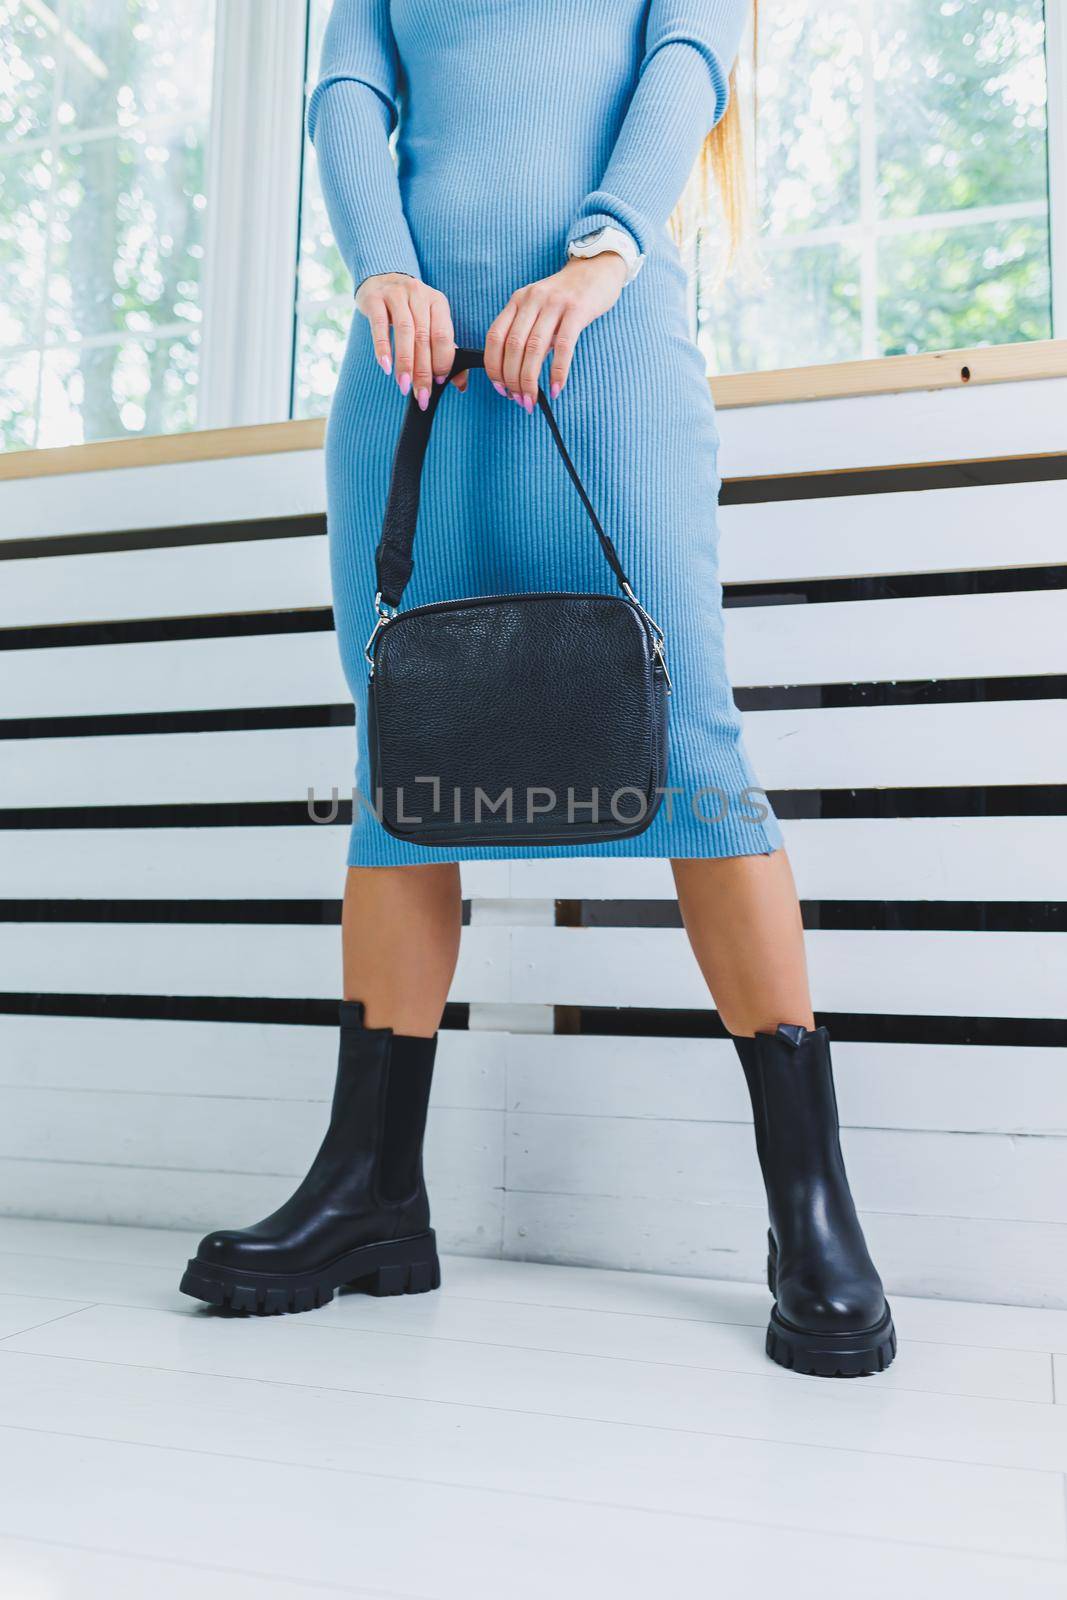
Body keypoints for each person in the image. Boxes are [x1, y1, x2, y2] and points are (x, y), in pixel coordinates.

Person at [180, 0, 895, 1378]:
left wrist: (599, 257)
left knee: (695, 764)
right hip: (412, 375)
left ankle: (811, 1218)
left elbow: (686, 66)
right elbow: (346, 94)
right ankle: (372, 1193)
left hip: (603, 345)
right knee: (408, 765)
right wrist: (381, 271)